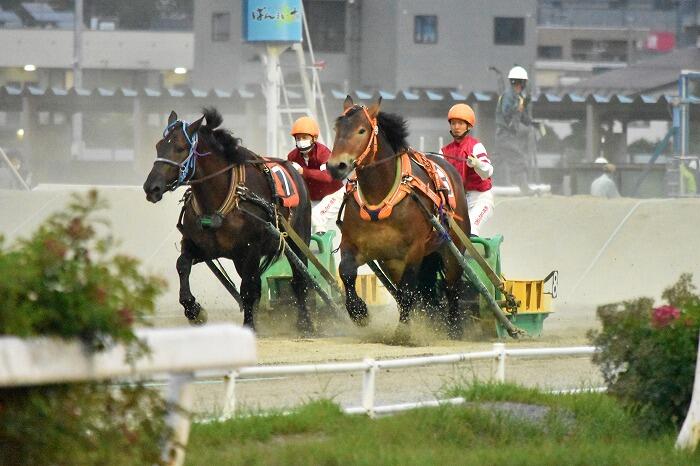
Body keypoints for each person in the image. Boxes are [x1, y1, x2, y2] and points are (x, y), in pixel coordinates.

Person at [440, 103, 494, 236]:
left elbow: (488, 171)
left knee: (470, 230)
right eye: (453, 123)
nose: (456, 127)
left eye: (460, 123)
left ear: (468, 126)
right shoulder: (443, 151)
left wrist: (477, 164)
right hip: (457, 204)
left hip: (480, 200)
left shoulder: (476, 146)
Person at [286, 116, 343, 233]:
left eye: (304, 137)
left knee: (316, 218)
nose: (301, 141)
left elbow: (328, 177)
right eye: (298, 138)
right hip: (312, 198)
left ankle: (322, 250)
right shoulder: (292, 156)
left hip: (333, 194)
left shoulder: (324, 153)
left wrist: (303, 172)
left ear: (314, 138)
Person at [495, 65, 534, 195]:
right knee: (519, 159)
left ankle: (472, 181)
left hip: (507, 136)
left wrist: (533, 123)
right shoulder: (508, 95)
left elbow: (522, 118)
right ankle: (525, 189)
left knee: (493, 163)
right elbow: (507, 112)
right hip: (504, 136)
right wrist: (520, 106)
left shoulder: (518, 98)